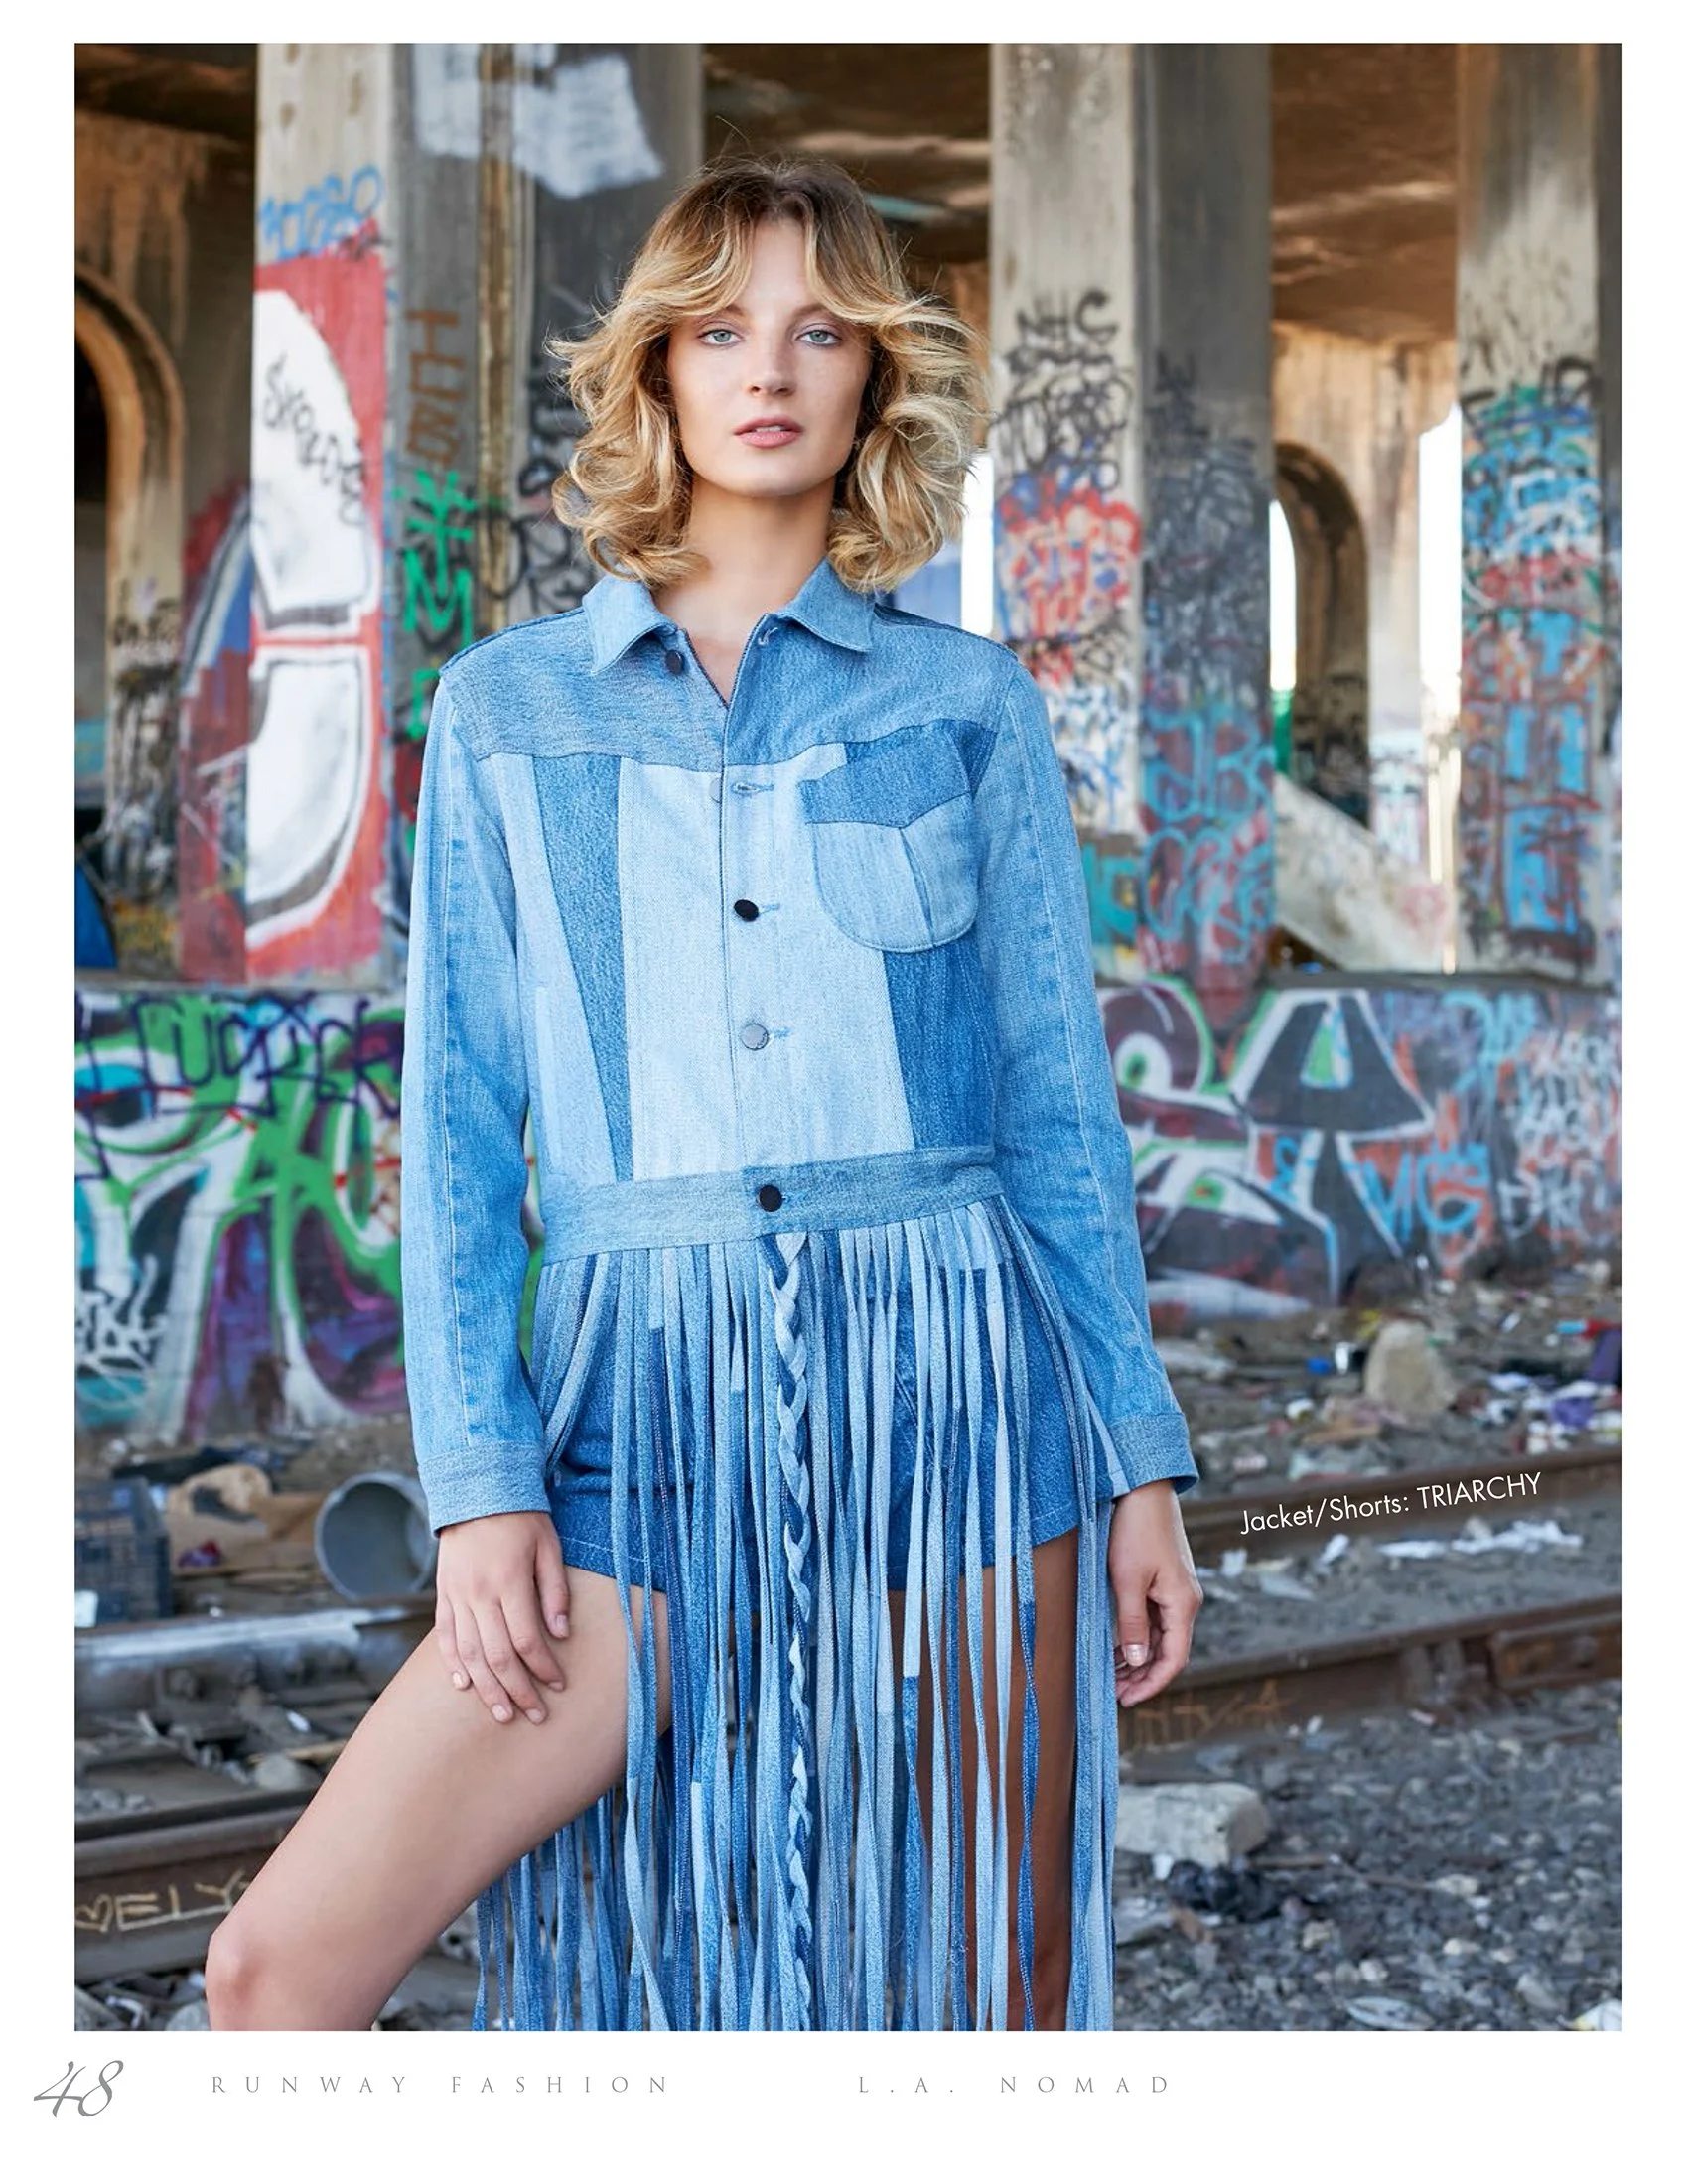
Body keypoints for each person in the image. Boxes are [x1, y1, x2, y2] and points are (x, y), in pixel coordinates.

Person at [206, 152, 1202, 2036]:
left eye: (821, 329)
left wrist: (1139, 1461)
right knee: (274, 1978)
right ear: (657, 372)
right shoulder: (510, 711)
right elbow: (463, 1141)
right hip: (633, 1410)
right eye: (724, 328)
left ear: (872, 380)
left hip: (958, 1403)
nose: (772, 368)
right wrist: (481, 1490)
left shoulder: (965, 704)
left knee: (990, 1985)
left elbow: (1059, 1114)